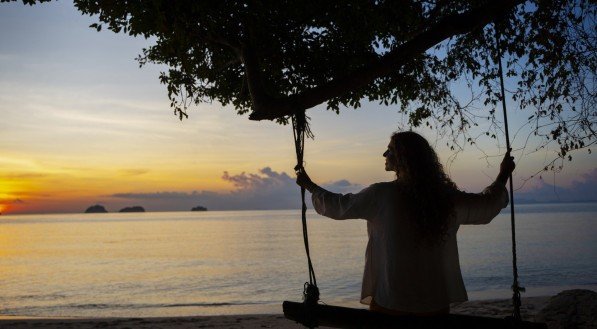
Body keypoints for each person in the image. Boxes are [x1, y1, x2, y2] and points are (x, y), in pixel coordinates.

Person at [296, 131, 515, 316]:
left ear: (403, 157)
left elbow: (339, 206)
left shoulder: (381, 195)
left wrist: (309, 185)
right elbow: (487, 205)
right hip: (434, 305)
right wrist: (503, 175)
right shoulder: (446, 198)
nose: (384, 154)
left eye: (390, 149)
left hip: (391, 303)